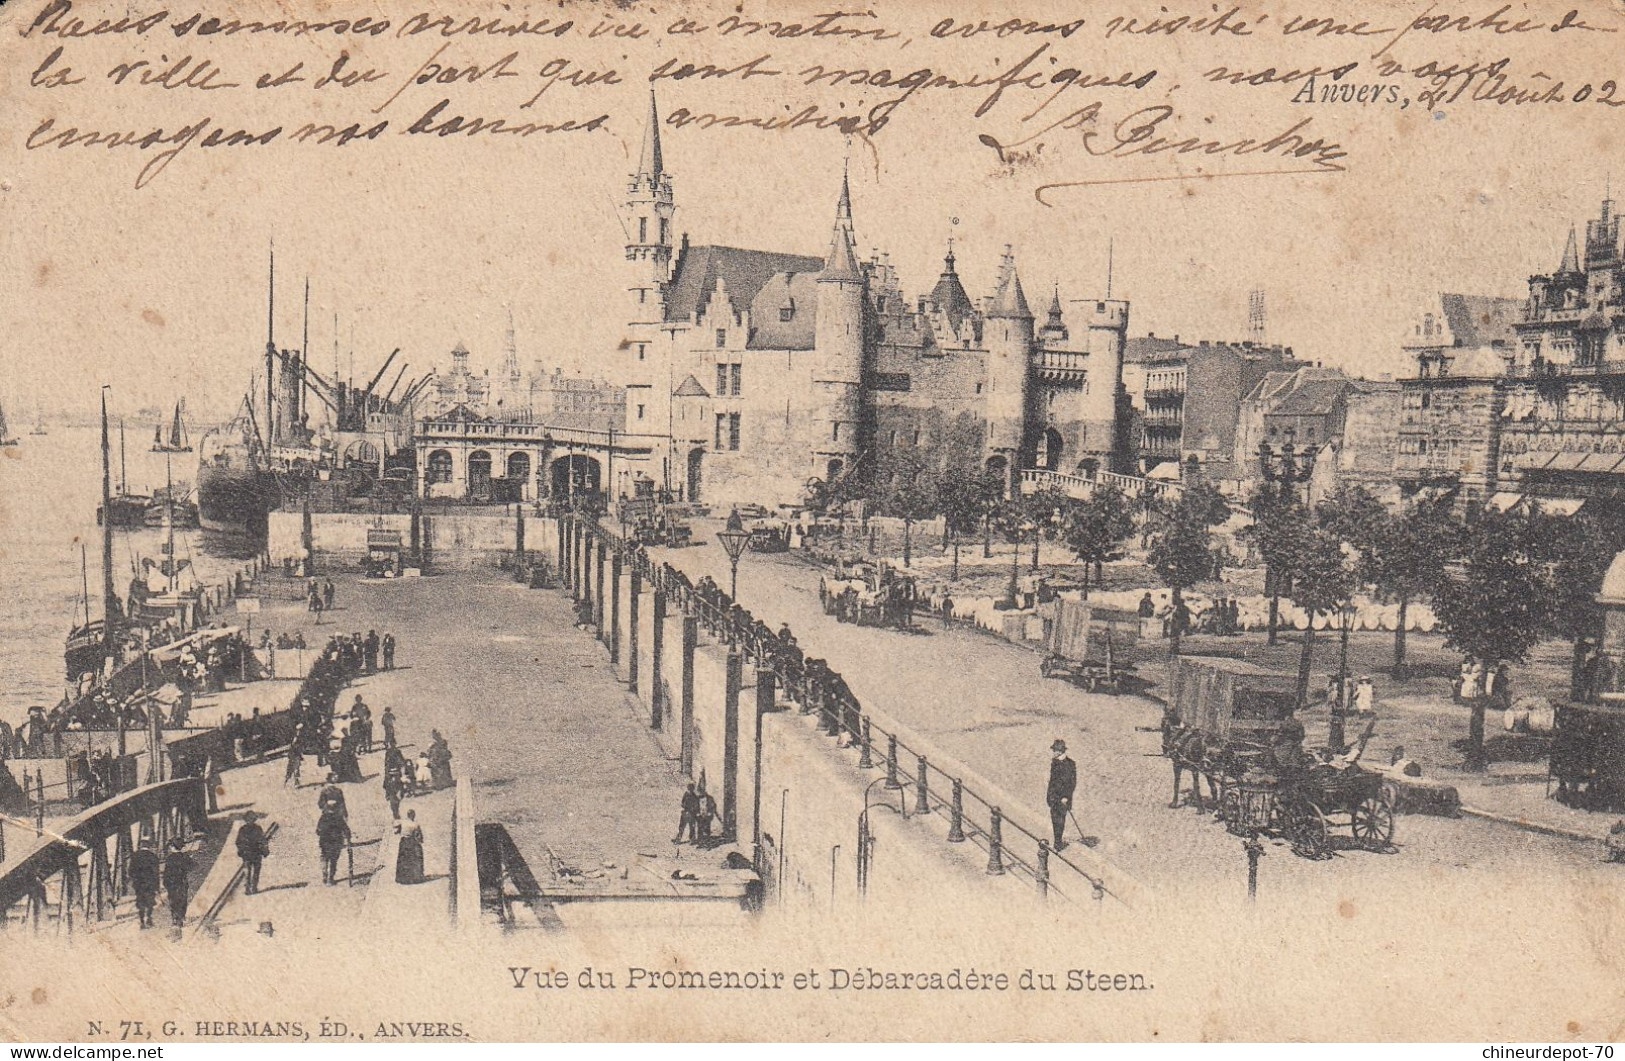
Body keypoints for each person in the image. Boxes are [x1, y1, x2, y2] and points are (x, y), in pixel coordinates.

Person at [1046, 738, 1077, 852]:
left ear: (1060, 751)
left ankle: (1058, 843)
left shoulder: (1070, 764)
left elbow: (1071, 783)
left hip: (1063, 798)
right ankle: (1057, 840)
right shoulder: (1054, 762)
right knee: (1054, 818)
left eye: (1055, 750)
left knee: (1061, 819)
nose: (1053, 752)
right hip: (1053, 796)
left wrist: (1066, 797)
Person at [163, 838, 195, 928]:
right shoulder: (184, 857)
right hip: (182, 882)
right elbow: (192, 867)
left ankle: (174, 919)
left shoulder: (169, 858)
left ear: (173, 847)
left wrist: (165, 883)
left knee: (173, 900)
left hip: (172, 883)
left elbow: (166, 872)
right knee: (182, 899)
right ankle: (181, 917)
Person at [236, 811, 269, 895]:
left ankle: (253, 887)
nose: (250, 821)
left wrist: (264, 850)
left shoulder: (246, 829)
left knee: (254, 871)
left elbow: (262, 840)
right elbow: (239, 842)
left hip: (253, 853)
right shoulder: (252, 829)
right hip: (251, 853)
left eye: (251, 819)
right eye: (249, 819)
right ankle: (248, 888)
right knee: (249, 871)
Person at [131, 839, 161, 929]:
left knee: (140, 902)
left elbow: (130, 871)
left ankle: (141, 921)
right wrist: (157, 886)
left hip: (139, 884)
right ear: (149, 846)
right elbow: (156, 873)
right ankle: (149, 918)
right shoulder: (153, 857)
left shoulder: (135, 856)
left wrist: (135, 880)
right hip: (150, 883)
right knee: (150, 901)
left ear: (140, 846)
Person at [317, 807, 350, 886]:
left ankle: (324, 874)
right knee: (333, 860)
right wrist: (348, 838)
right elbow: (346, 830)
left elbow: (318, 831)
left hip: (324, 842)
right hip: (336, 842)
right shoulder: (339, 818)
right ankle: (330, 878)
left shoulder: (323, 817)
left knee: (324, 858)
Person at [395, 809, 425, 884]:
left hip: (403, 842)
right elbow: (419, 836)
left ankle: (402, 878)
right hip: (411, 842)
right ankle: (415, 877)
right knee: (413, 859)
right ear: (413, 816)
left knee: (403, 859)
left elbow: (396, 831)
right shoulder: (415, 824)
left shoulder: (402, 822)